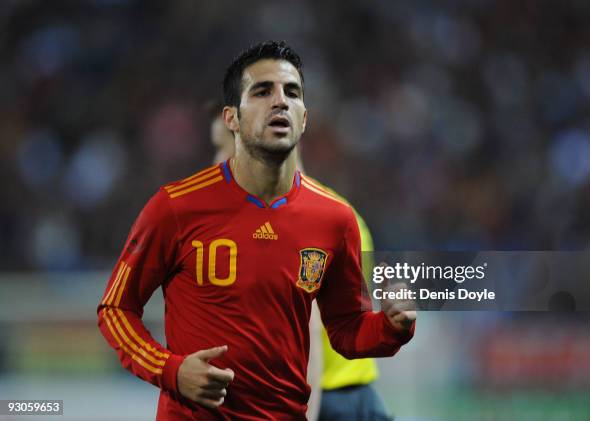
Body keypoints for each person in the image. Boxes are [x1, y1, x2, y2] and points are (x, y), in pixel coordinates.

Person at [97, 40, 416, 420]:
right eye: (262, 91)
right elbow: (116, 309)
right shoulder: (175, 207)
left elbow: (346, 331)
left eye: (291, 92)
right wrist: (171, 370)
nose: (280, 101)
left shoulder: (335, 220)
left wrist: (392, 327)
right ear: (231, 118)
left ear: (304, 118)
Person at [208, 101, 392, 421]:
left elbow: (306, 331)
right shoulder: (345, 216)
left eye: (225, 149)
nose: (215, 163)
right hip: (356, 397)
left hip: (318, 400)